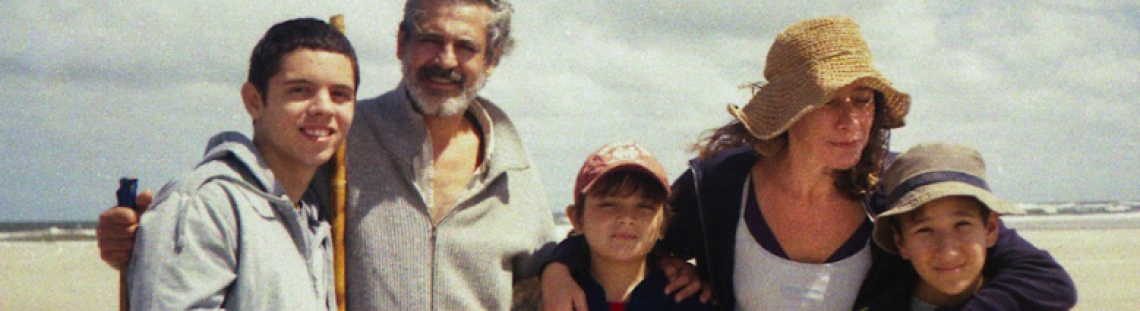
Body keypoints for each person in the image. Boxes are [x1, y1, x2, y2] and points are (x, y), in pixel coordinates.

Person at [99, 1, 704, 310]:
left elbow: (557, 249)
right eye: (429, 38)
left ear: (490, 62)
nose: (445, 59)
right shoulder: (340, 138)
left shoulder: (515, 165)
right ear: (400, 43)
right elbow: (252, 202)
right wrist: (139, 236)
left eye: (465, 46)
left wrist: (560, 264)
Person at [543, 16, 1076, 310]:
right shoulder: (721, 186)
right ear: (788, 114)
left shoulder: (892, 187)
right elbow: (631, 229)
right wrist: (560, 263)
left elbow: (1044, 280)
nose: (851, 121)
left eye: (862, 101)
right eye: (829, 101)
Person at [125, 18, 359, 310]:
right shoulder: (207, 206)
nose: (324, 108)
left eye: (340, 94)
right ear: (253, 101)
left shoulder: (312, 217)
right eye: (300, 90)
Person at [864, 143, 1072, 310]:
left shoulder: (1027, 298)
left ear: (991, 229)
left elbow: (1055, 283)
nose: (948, 251)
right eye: (924, 230)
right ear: (900, 242)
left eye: (962, 224)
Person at [563, 141, 715, 311]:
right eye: (608, 204)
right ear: (577, 218)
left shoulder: (690, 302)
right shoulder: (556, 296)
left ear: (663, 224)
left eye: (645, 206)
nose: (627, 217)